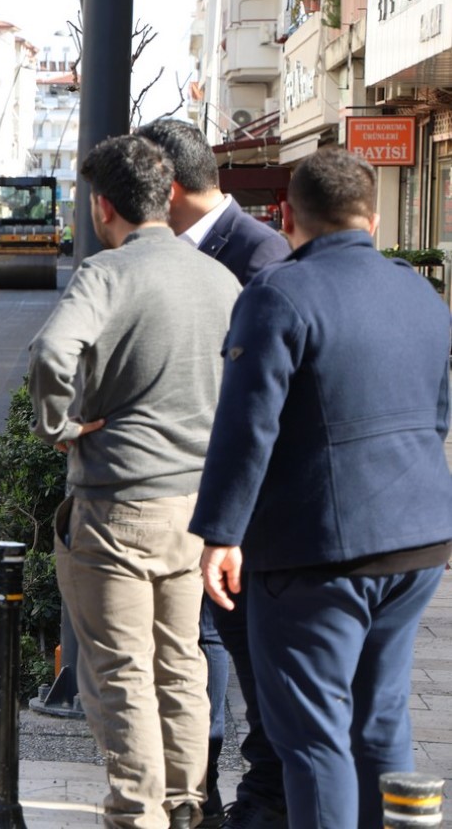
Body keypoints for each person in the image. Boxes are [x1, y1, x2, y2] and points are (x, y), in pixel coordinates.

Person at [192, 148, 452, 829]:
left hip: (315, 552)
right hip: (417, 541)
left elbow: (246, 425)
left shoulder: (278, 292)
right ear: (371, 214)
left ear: (286, 214)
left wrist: (219, 533)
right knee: (380, 719)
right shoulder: (417, 291)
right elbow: (437, 410)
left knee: (310, 737)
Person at [28, 135, 241, 829]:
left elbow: (54, 350)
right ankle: (184, 806)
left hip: (117, 503)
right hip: (196, 507)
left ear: (100, 206)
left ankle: (135, 814)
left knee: (120, 671)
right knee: (180, 661)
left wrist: (60, 424)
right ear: (167, 194)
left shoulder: (106, 274)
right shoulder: (218, 278)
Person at [138, 118, 293, 828]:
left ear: (165, 187)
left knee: (244, 654)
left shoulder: (257, 257)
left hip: (239, 507)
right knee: (203, 643)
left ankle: (258, 797)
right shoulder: (190, 250)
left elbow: (265, 399)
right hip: (194, 493)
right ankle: (206, 790)